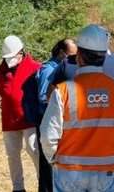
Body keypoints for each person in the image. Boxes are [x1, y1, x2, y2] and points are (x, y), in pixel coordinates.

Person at [40, 24, 114, 192]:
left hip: (69, 170)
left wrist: (54, 159)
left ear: (79, 56)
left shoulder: (62, 91)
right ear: (104, 57)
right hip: (105, 171)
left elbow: (48, 135)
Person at [0, 34, 43, 192]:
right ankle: (18, 188)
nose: (9, 60)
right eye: (6, 57)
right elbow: (2, 91)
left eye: (12, 56)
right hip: (9, 120)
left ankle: (43, 183)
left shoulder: (35, 67)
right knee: (12, 154)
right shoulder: (0, 72)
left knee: (34, 150)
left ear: (21, 53)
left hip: (30, 118)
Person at [31, 38, 77, 192]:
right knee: (48, 164)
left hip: (56, 121)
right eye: (71, 55)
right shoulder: (49, 70)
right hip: (47, 121)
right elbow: (43, 96)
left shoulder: (62, 68)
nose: (74, 59)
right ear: (62, 53)